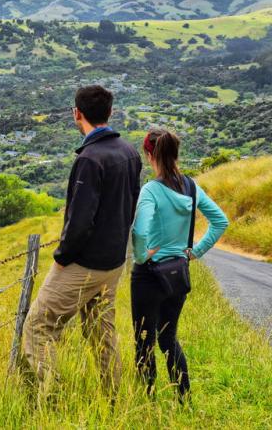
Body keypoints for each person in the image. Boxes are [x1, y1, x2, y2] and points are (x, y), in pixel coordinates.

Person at [22, 85, 142, 398]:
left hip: (85, 263)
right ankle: (114, 398)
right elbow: (131, 205)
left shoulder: (90, 159)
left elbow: (79, 222)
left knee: (38, 326)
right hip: (114, 262)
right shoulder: (130, 153)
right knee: (102, 332)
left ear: (77, 113)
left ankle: (50, 397)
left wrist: (62, 256)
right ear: (110, 112)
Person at [131, 128, 228, 401]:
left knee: (144, 341)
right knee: (168, 339)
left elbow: (139, 232)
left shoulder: (151, 190)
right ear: (175, 153)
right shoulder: (191, 186)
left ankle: (148, 400)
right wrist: (195, 252)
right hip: (178, 273)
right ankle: (183, 398)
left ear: (150, 154)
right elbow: (220, 221)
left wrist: (141, 256)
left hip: (149, 275)